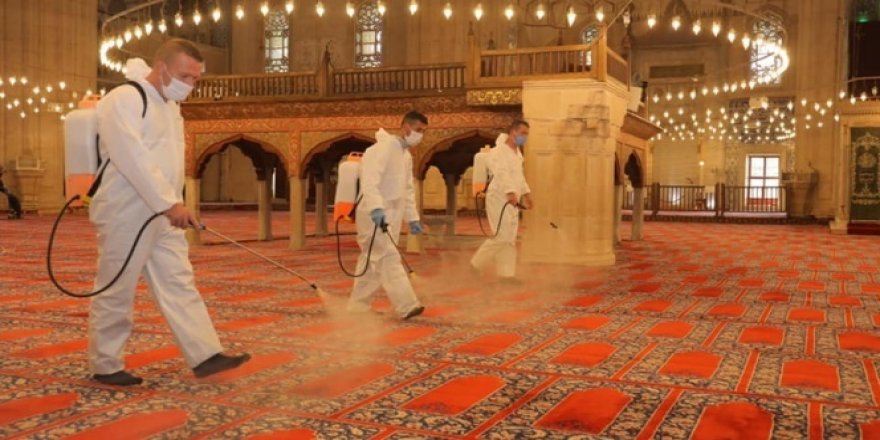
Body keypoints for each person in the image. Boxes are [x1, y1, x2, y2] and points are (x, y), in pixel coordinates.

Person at [89, 39, 249, 386]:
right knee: (118, 286)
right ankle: (106, 363)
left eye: (195, 79)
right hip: (126, 212)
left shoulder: (171, 107)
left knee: (178, 280)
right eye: (185, 76)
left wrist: (174, 203)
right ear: (161, 68)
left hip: (164, 212)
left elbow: (169, 165)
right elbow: (133, 157)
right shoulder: (124, 99)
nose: (190, 85)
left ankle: (205, 354)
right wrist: (168, 203)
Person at [347, 111, 427, 320]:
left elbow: (408, 190)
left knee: (371, 260)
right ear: (406, 127)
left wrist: (413, 218)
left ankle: (357, 306)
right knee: (387, 256)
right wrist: (376, 208)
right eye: (418, 130)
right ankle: (407, 305)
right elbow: (370, 181)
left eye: (423, 132)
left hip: (392, 213)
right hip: (374, 213)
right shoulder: (381, 148)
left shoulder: (405, 155)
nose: (420, 135)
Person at [470, 120, 533, 283]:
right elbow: (502, 173)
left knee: (510, 237)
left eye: (527, 134)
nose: (525, 137)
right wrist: (510, 192)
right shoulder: (498, 152)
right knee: (501, 236)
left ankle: (506, 275)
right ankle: (475, 264)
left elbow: (519, 176)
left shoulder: (517, 153)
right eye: (523, 133)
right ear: (513, 132)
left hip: (513, 199)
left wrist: (526, 193)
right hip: (499, 197)